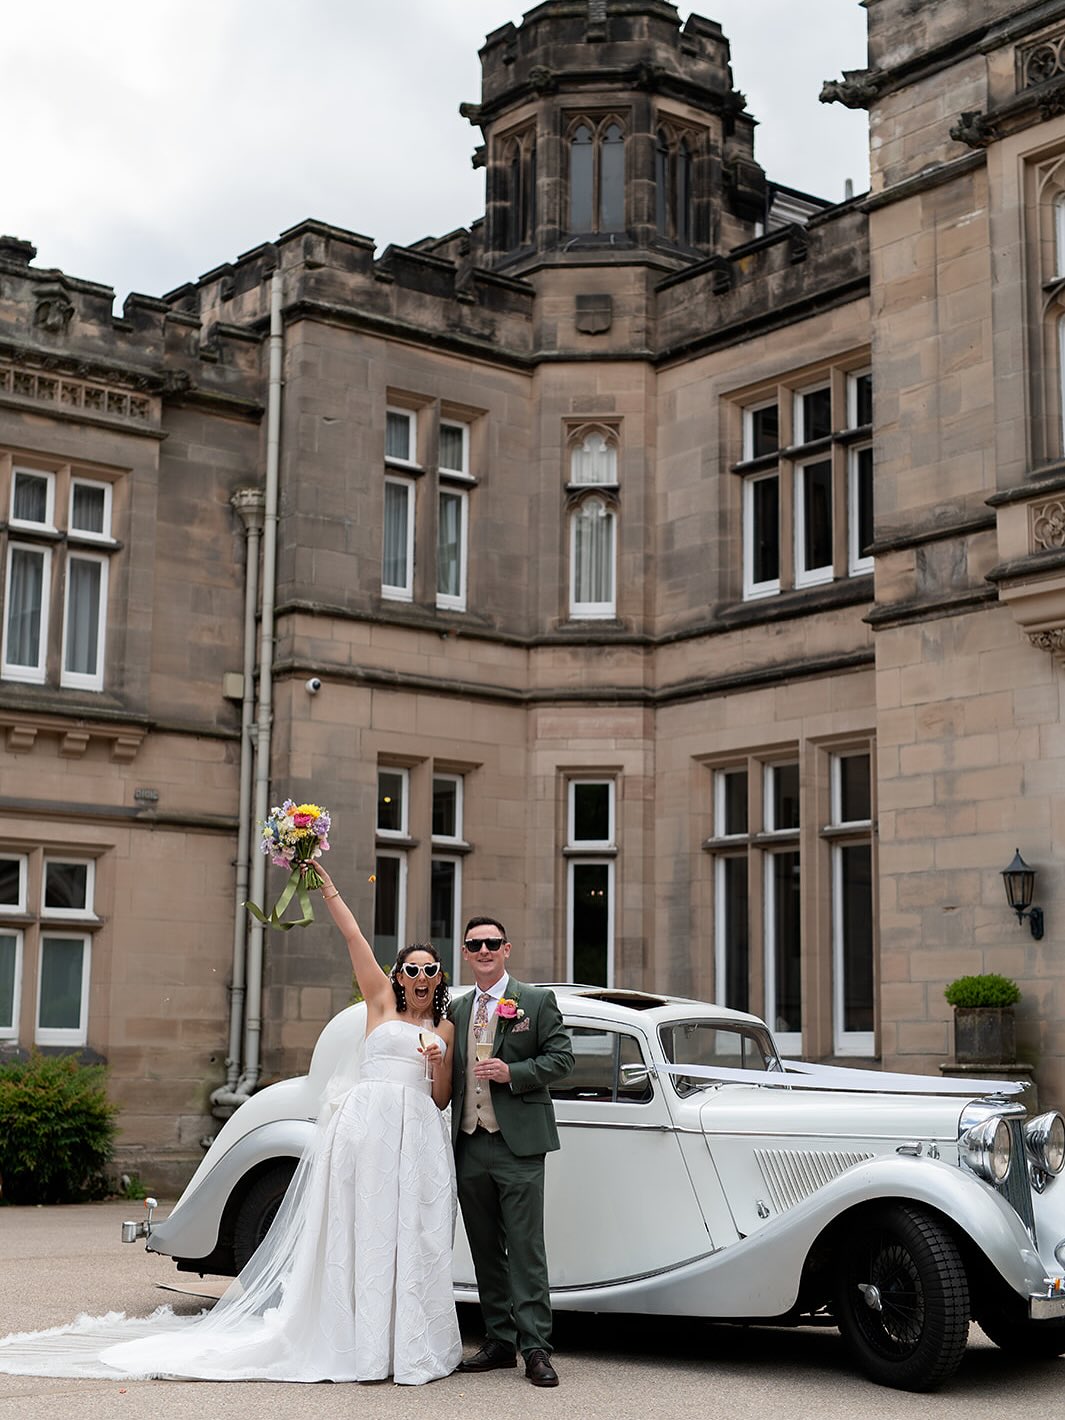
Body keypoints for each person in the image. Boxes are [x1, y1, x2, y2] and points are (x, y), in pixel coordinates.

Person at [0, 867, 462, 1386]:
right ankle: (363, 1346)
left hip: (417, 1137)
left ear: (439, 978)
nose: (421, 979)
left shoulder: (444, 1026)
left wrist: (435, 1062)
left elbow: (441, 1097)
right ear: (398, 976)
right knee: (365, 1233)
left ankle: (407, 1344)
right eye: (412, 970)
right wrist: (325, 885)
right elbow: (353, 934)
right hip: (370, 1131)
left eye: (431, 971)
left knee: (409, 1235)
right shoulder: (378, 1001)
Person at [449, 915, 573, 1388]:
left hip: (518, 1144)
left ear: (507, 949)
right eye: (475, 944)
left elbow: (562, 1059)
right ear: (465, 952)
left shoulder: (535, 1001)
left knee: (525, 1247)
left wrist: (513, 1073)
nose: (484, 950)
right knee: (484, 1247)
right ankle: (499, 1340)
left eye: (492, 943)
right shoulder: (457, 1010)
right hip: (469, 1142)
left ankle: (536, 1346)